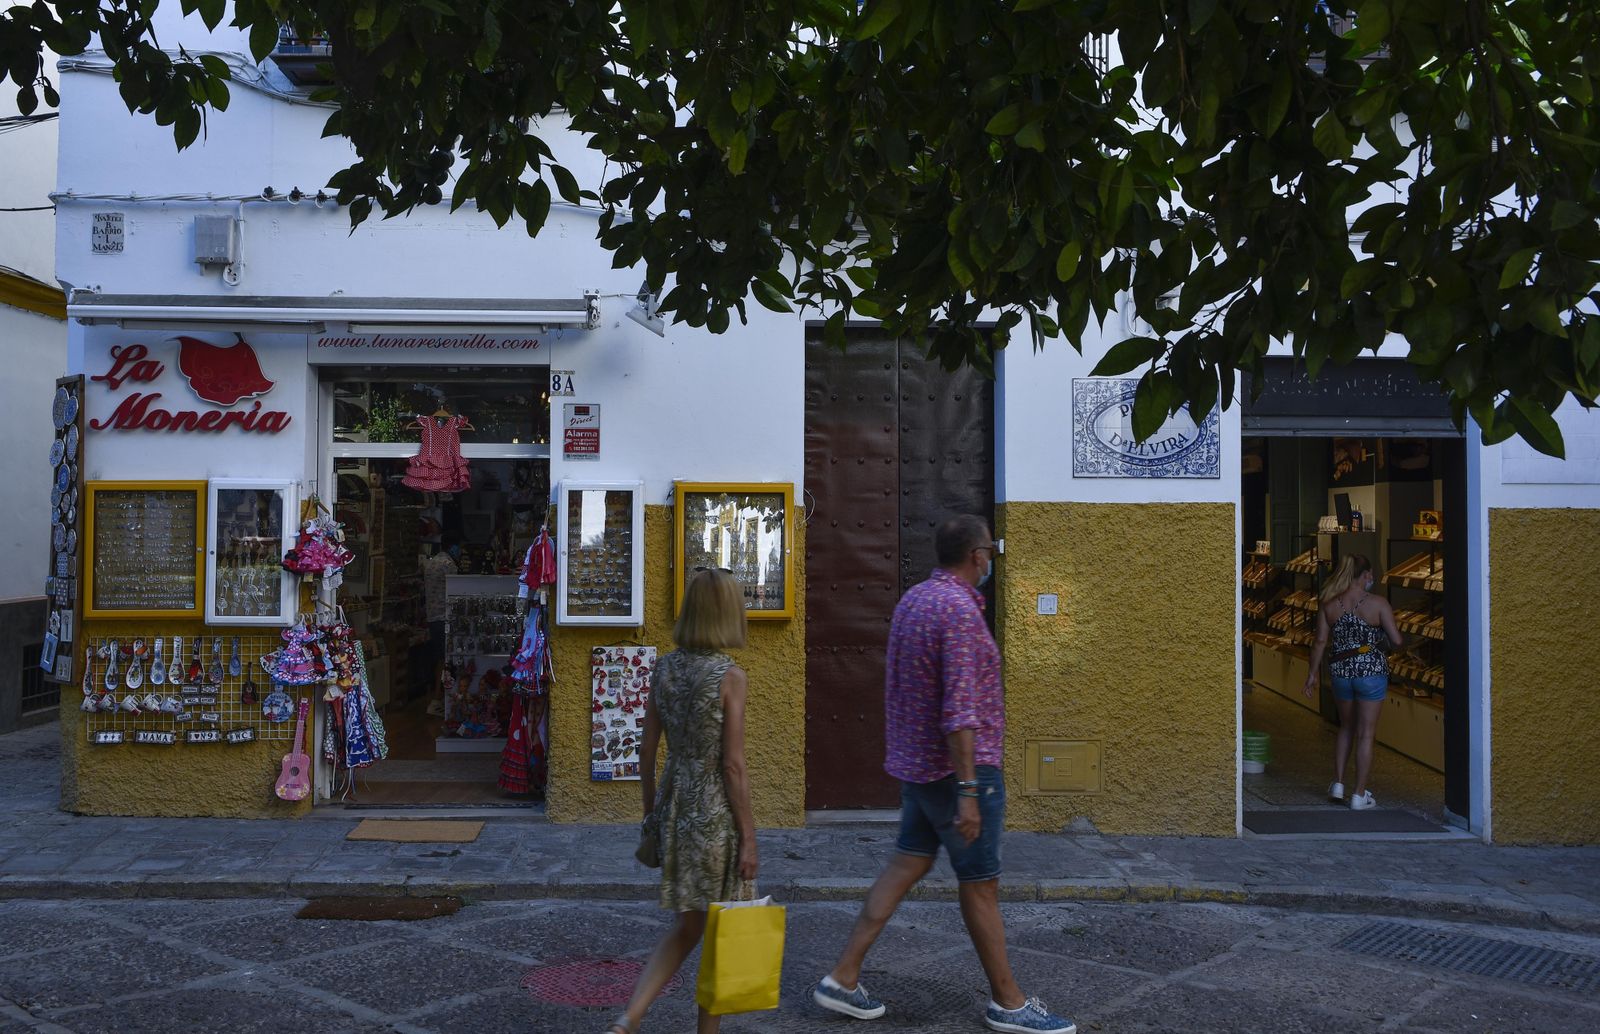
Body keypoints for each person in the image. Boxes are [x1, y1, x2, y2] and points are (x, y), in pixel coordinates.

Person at [813, 515, 1076, 1034]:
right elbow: (958, 710)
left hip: (919, 771)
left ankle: (841, 979)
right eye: (991, 554)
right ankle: (1009, 1003)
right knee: (980, 885)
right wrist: (969, 791)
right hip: (959, 771)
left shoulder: (915, 600)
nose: (992, 563)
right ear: (977, 555)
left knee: (903, 866)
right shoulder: (957, 611)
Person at [608, 568, 758, 1034]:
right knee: (720, 938)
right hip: (714, 817)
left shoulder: (664, 669)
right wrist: (750, 837)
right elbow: (732, 766)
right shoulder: (730, 677)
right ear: (727, 614)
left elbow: (646, 751)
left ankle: (630, 1017)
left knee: (689, 928)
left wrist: (651, 813)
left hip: (676, 808)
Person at [1303, 553, 1404, 811]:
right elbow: (1397, 641)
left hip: (1341, 674)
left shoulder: (1329, 604)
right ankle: (1359, 795)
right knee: (1366, 734)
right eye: (1370, 575)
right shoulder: (1379, 604)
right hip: (1372, 672)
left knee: (1346, 727)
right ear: (1366, 575)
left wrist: (1312, 674)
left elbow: (1320, 643)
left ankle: (1338, 784)